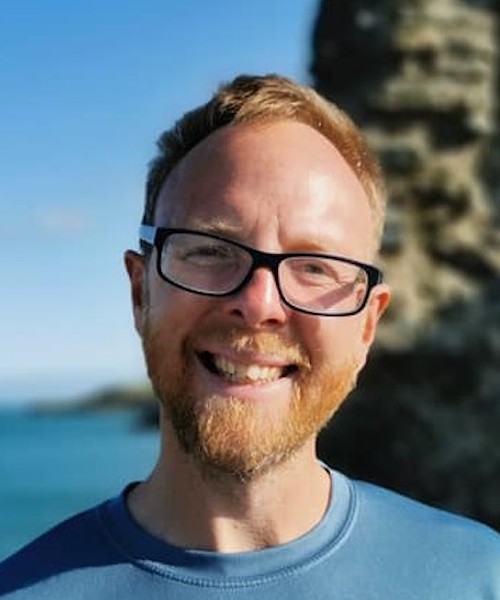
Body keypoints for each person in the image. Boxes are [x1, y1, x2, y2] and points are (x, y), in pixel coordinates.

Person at [1, 73, 499, 599]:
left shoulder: (479, 579)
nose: (259, 304)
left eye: (315, 267)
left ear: (366, 326)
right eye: (210, 251)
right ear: (140, 292)